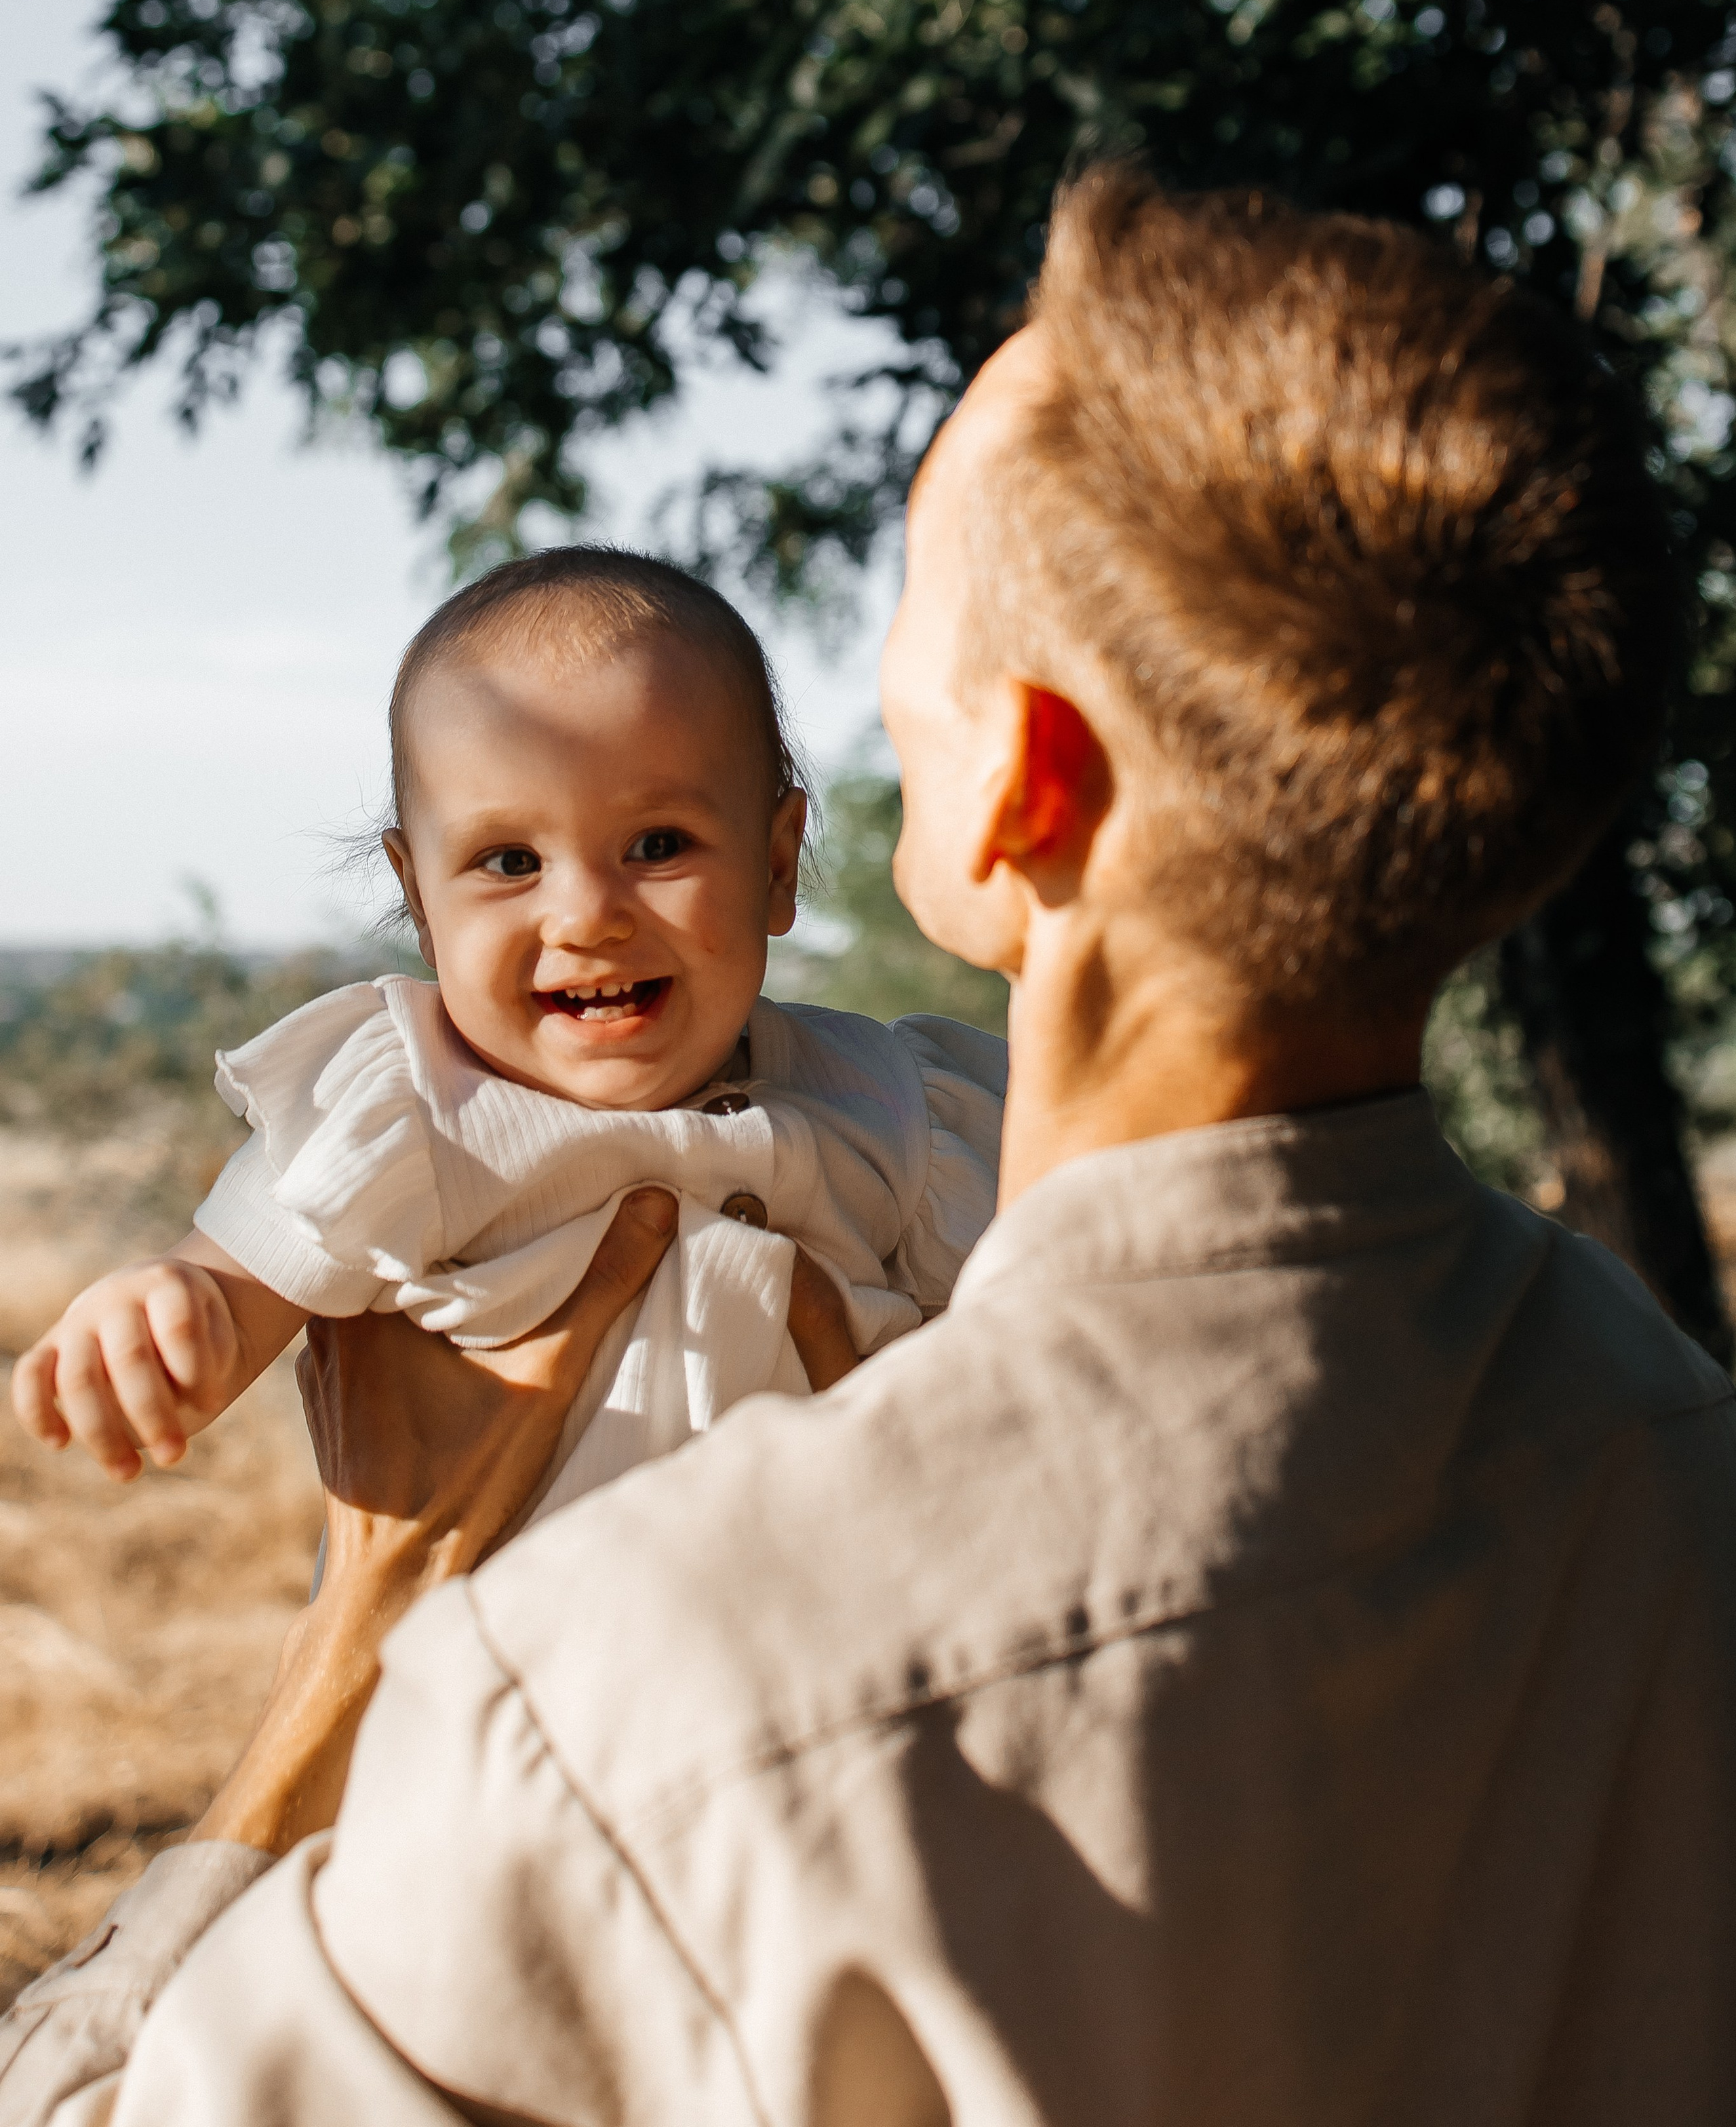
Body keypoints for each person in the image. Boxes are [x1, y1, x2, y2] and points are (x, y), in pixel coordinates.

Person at [5, 165, 1735, 2126]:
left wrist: (354, 1645)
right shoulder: (1670, 1459)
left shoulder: (623, 1699)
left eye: (915, 600)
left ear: (1014, 779)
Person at [10, 550, 1004, 1517]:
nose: (586, 916)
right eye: (509, 861)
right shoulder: (405, 1107)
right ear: (420, 902)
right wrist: (154, 1317)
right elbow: (228, 1292)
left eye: (657, 846)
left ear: (778, 865)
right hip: (525, 1671)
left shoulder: (895, 1104)